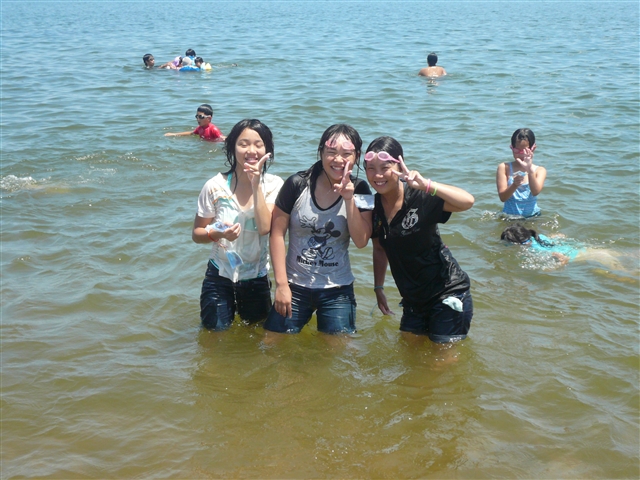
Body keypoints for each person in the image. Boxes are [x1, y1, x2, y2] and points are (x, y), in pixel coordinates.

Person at [263, 124, 373, 335]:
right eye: (331, 152)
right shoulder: (296, 184)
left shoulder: (362, 190)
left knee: (336, 349)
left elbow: (361, 241)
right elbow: (276, 233)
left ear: (357, 156)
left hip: (337, 289)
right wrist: (281, 285)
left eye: (346, 154)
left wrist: (349, 199)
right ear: (321, 152)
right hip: (294, 285)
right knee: (271, 343)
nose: (338, 160)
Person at [365, 136, 475, 344]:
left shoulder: (419, 196)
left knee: (441, 360)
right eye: (371, 168)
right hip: (413, 301)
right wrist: (378, 288)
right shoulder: (375, 206)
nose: (378, 175)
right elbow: (379, 248)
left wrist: (427, 185)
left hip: (447, 293)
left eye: (385, 168)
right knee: (410, 355)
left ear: (400, 166)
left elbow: (467, 202)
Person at [192, 119, 284, 330]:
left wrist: (255, 183)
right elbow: (197, 234)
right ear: (232, 147)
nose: (251, 151)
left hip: (256, 276)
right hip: (219, 274)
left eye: (258, 144)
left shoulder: (274, 185)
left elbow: (264, 227)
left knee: (255, 336)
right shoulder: (214, 186)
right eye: (243, 144)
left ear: (267, 150)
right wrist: (217, 233)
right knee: (214, 335)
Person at [500, 224, 627, 269]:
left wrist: (549, 269)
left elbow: (562, 259)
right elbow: (560, 235)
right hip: (581, 248)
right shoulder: (538, 236)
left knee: (623, 272)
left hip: (584, 256)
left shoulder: (533, 251)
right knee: (623, 253)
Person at [496, 128, 547, 217]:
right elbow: (503, 198)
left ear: (533, 148)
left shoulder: (540, 170)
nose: (521, 154)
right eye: (517, 150)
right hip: (509, 217)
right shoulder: (504, 168)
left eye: (525, 151)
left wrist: (530, 170)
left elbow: (535, 192)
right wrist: (514, 185)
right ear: (511, 148)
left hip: (533, 217)